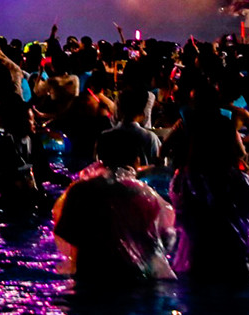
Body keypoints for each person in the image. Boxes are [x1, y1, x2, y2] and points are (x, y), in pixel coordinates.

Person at [52, 124, 176, 291]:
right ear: (137, 160)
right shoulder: (146, 195)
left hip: (91, 277)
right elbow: (164, 239)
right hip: (134, 280)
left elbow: (64, 231)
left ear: (99, 158)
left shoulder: (80, 191)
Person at [170, 108, 249, 285]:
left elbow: (179, 215)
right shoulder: (244, 181)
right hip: (239, 257)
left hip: (200, 259)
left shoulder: (184, 179)